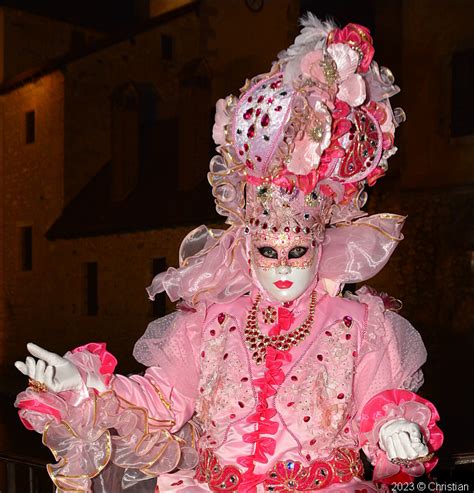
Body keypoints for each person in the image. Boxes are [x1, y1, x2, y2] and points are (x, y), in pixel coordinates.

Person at [14, 15, 443, 493]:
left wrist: (393, 428)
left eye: (296, 250)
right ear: (246, 247)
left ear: (320, 247)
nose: (281, 265)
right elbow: (160, 399)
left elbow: (377, 401)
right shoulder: (209, 322)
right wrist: (86, 385)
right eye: (267, 249)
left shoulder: (360, 324)